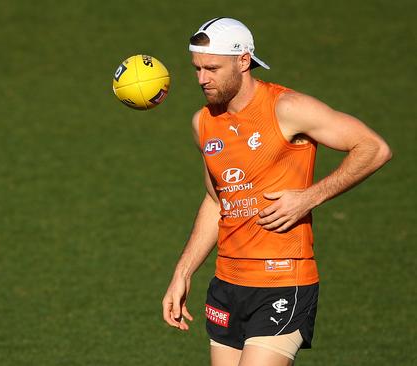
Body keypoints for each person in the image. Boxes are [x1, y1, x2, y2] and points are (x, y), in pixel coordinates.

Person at [161, 17, 392, 366]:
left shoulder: (287, 108)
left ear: (243, 61)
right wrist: (183, 273)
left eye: (212, 68)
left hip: (283, 281)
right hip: (227, 284)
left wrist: (309, 197)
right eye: (197, 68)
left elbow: (373, 147)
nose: (202, 78)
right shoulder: (203, 123)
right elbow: (216, 200)